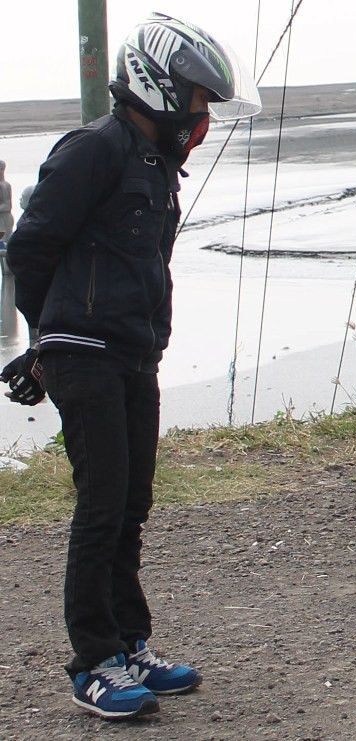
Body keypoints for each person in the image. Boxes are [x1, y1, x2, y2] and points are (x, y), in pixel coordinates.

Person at [0, 13, 260, 720]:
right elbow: (31, 249)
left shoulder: (155, 165)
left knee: (131, 504)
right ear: (160, 86)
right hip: (83, 353)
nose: (203, 116)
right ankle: (93, 662)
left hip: (134, 355)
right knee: (102, 504)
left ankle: (130, 643)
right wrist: (47, 339)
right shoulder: (94, 149)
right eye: (198, 99)